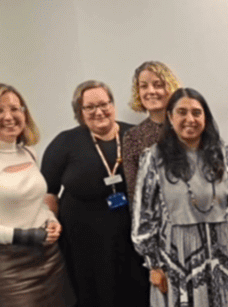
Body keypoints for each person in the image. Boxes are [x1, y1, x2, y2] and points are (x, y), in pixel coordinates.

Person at [133, 87, 228, 307]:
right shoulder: (154, 158)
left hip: (225, 253)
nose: (189, 119)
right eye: (182, 112)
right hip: (177, 255)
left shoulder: (223, 154)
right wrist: (153, 264)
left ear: (206, 118)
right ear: (170, 117)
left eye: (196, 112)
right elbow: (144, 214)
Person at [0, 83, 74, 307]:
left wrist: (50, 219)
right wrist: (25, 236)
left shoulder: (26, 152)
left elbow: (35, 203)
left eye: (15, 108)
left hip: (49, 255)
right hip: (10, 265)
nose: (9, 116)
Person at [41, 80, 150, 307]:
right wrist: (50, 220)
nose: (98, 112)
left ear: (113, 104)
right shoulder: (65, 142)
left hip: (130, 235)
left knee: (136, 291)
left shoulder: (134, 135)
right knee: (95, 295)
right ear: (79, 112)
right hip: (84, 240)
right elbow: (47, 192)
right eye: (89, 107)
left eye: (104, 104)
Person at [124, 61, 181, 207]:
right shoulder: (132, 137)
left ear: (170, 87)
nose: (151, 91)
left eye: (158, 84)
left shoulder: (188, 126)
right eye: (143, 86)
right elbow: (134, 192)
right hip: (156, 220)